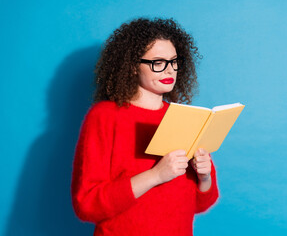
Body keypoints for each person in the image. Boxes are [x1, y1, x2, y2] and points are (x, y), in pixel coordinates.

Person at [71, 17, 219, 236]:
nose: (170, 71)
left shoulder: (183, 118)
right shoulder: (104, 116)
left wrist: (204, 177)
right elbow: (87, 204)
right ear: (132, 67)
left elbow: (199, 204)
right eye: (158, 62)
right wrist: (155, 176)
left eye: (174, 61)